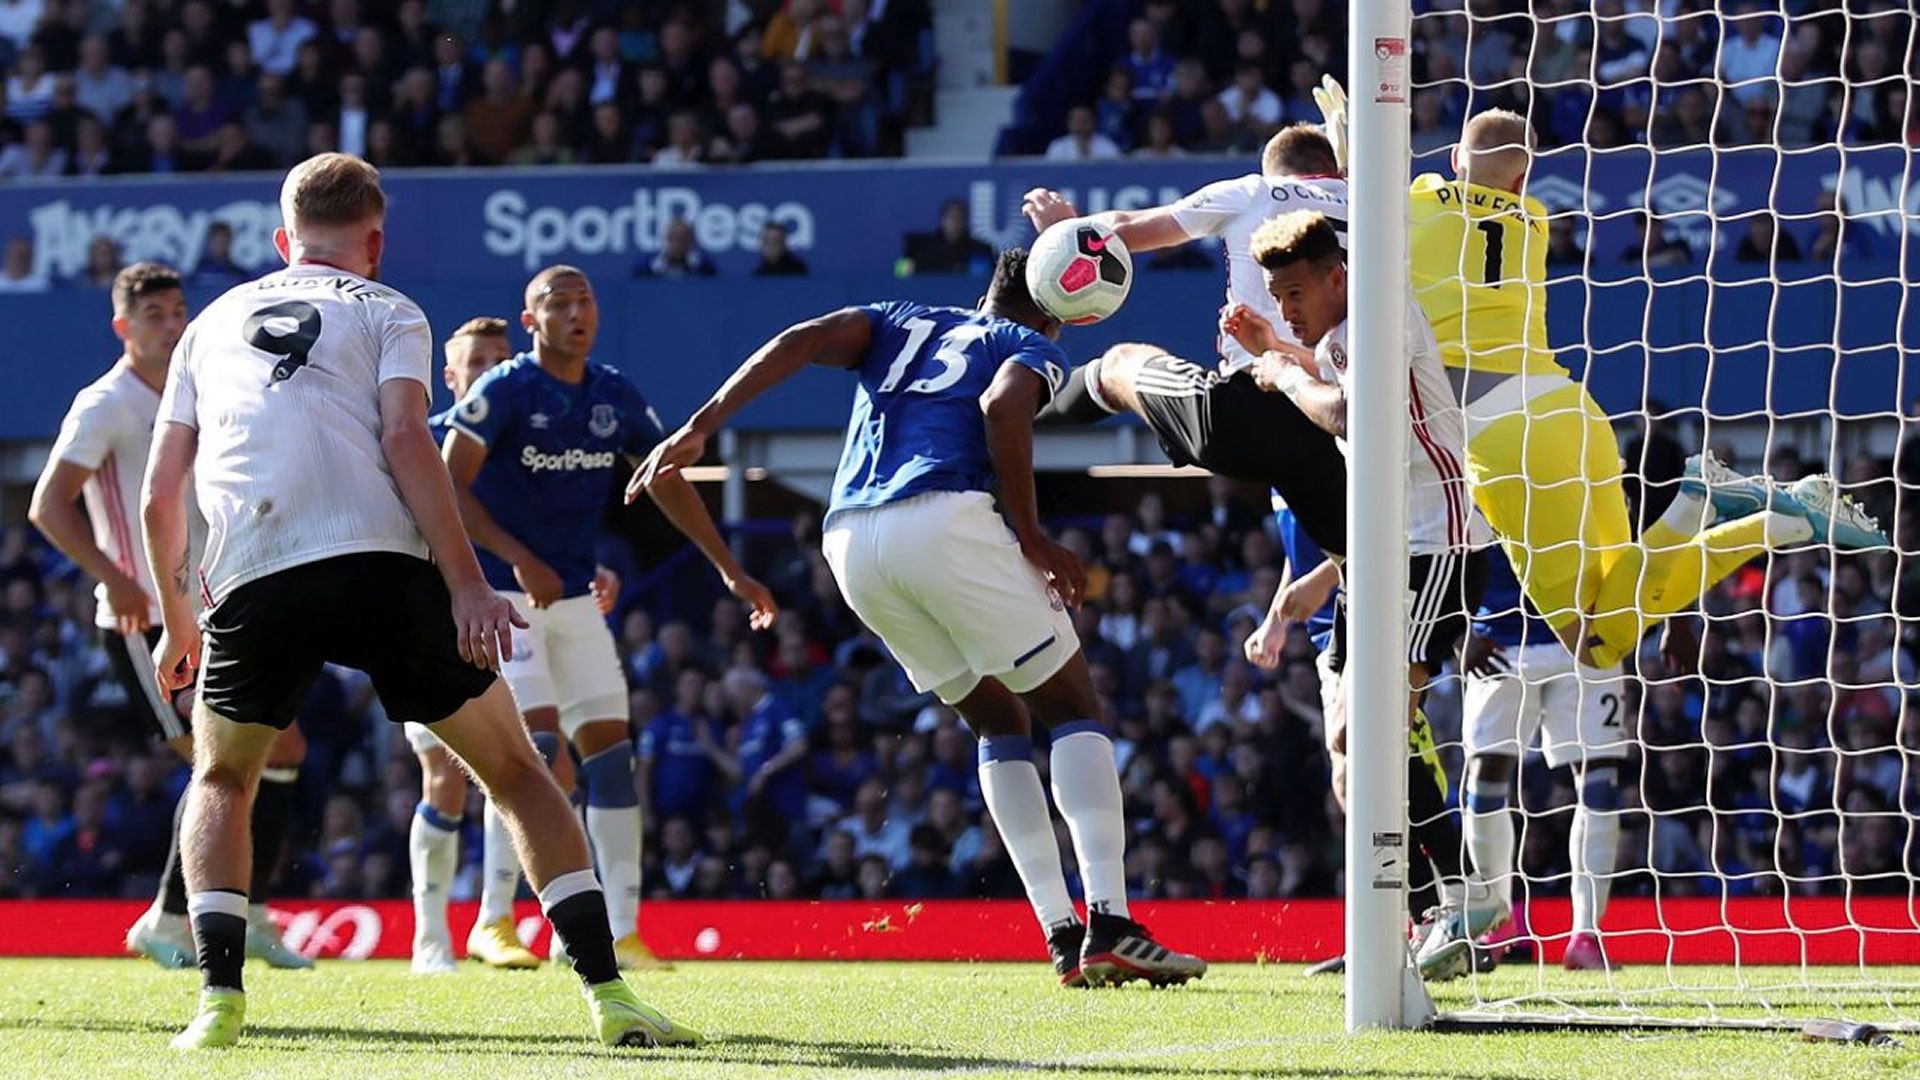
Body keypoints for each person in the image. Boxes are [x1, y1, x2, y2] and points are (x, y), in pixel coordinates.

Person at [140, 153, 695, 1049]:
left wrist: (175, 619)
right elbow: (408, 437)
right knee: (517, 773)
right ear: (374, 242)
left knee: (222, 778)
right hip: (382, 568)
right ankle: (610, 995)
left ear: (284, 242)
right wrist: (469, 582)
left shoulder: (207, 326)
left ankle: (218, 1004)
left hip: (253, 574)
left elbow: (161, 491)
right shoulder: (392, 308)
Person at [628, 249, 1205, 989]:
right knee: (1071, 709)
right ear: (1058, 315)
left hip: (851, 542)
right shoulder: (1027, 345)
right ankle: (1112, 924)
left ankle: (1061, 933)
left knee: (998, 723)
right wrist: (1030, 535)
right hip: (942, 516)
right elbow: (1001, 406)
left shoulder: (904, 318)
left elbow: (801, 338)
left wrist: (703, 423)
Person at [1402, 105, 1883, 671]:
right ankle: (1789, 518)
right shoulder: (1532, 218)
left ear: (1456, 159)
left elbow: (1386, 200)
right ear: (1523, 180)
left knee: (1595, 645)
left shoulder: (1414, 206)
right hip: (1568, 409)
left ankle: (1699, 501)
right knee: (1627, 590)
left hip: (1500, 435)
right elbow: (1482, 183)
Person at [442, 263, 775, 972]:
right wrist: (514, 556)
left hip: (572, 601)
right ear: (530, 323)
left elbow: (664, 476)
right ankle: (494, 921)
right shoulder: (506, 389)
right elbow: (446, 483)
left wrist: (729, 568)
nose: (574, 312)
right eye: (556, 304)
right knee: (530, 755)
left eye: (583, 300)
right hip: (505, 601)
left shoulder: (613, 393)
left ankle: (620, 929)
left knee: (613, 760)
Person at [1223, 209, 1502, 978]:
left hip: (1434, 547)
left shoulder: (1376, 317)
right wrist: (1276, 349)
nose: (1288, 308)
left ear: (1338, 275)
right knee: (1351, 746)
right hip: (1373, 559)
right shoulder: (1342, 333)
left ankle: (1460, 902)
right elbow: (1329, 373)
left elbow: (1347, 411)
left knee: (1378, 734)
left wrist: (1277, 368)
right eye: (1278, 296)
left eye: (1296, 291)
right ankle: (1421, 921)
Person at [27, 262, 312, 974]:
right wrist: (116, 581)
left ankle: (240, 913)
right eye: (154, 314)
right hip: (142, 619)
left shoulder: (201, 389)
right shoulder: (107, 403)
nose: (171, 323)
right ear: (123, 327)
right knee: (226, 762)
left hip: (214, 609)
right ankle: (176, 916)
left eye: (178, 309)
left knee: (284, 750)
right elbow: (47, 504)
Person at [403, 315, 624, 974]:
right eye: (476, 363)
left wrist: (586, 571)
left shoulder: (521, 447)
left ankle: (507, 922)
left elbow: (551, 533)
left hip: (511, 623)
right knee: (444, 777)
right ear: (450, 377)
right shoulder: (428, 443)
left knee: (536, 764)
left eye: (501, 360)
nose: (491, 373)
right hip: (434, 624)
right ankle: (429, 937)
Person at [1022, 125, 1351, 558]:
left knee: (1120, 364)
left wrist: (1065, 233)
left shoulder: (1256, 191)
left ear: (1274, 168)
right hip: (1340, 424)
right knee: (1357, 570)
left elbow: (1129, 227)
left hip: (1253, 413)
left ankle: (1017, 411)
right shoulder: (1377, 207)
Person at [1459, 549, 1627, 973]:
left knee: (1600, 779)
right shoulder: (1477, 483)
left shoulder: (1598, 478)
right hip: (1498, 640)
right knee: (1486, 771)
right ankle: (1495, 920)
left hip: (1589, 638)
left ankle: (1586, 934)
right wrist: (1459, 634)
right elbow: (1443, 549)